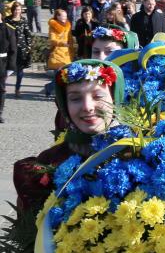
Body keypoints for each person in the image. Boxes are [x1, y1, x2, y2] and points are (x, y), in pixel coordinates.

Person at [14, 59, 124, 210]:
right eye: (75, 99)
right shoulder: (49, 161)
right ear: (64, 105)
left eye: (98, 96)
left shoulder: (135, 152)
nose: (87, 107)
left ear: (115, 99)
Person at [6, 2, 32, 98]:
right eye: (16, 9)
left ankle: (17, 89)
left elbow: (27, 34)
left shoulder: (23, 20)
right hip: (9, 48)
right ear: (13, 10)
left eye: (19, 9)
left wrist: (29, 46)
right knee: (7, 69)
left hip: (22, 48)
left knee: (20, 71)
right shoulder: (7, 20)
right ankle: (2, 87)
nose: (17, 11)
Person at [46, 9, 74, 96]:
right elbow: (52, 40)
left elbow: (70, 38)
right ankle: (52, 89)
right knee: (58, 76)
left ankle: (51, 88)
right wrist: (61, 43)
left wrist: (72, 46)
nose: (65, 18)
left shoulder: (68, 25)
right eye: (63, 16)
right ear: (57, 16)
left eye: (66, 16)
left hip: (66, 54)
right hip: (57, 53)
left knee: (65, 76)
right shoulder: (53, 26)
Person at [0, 11, 17, 123]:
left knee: (1, 89)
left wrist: (10, 67)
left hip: (2, 62)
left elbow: (13, 50)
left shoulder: (8, 29)